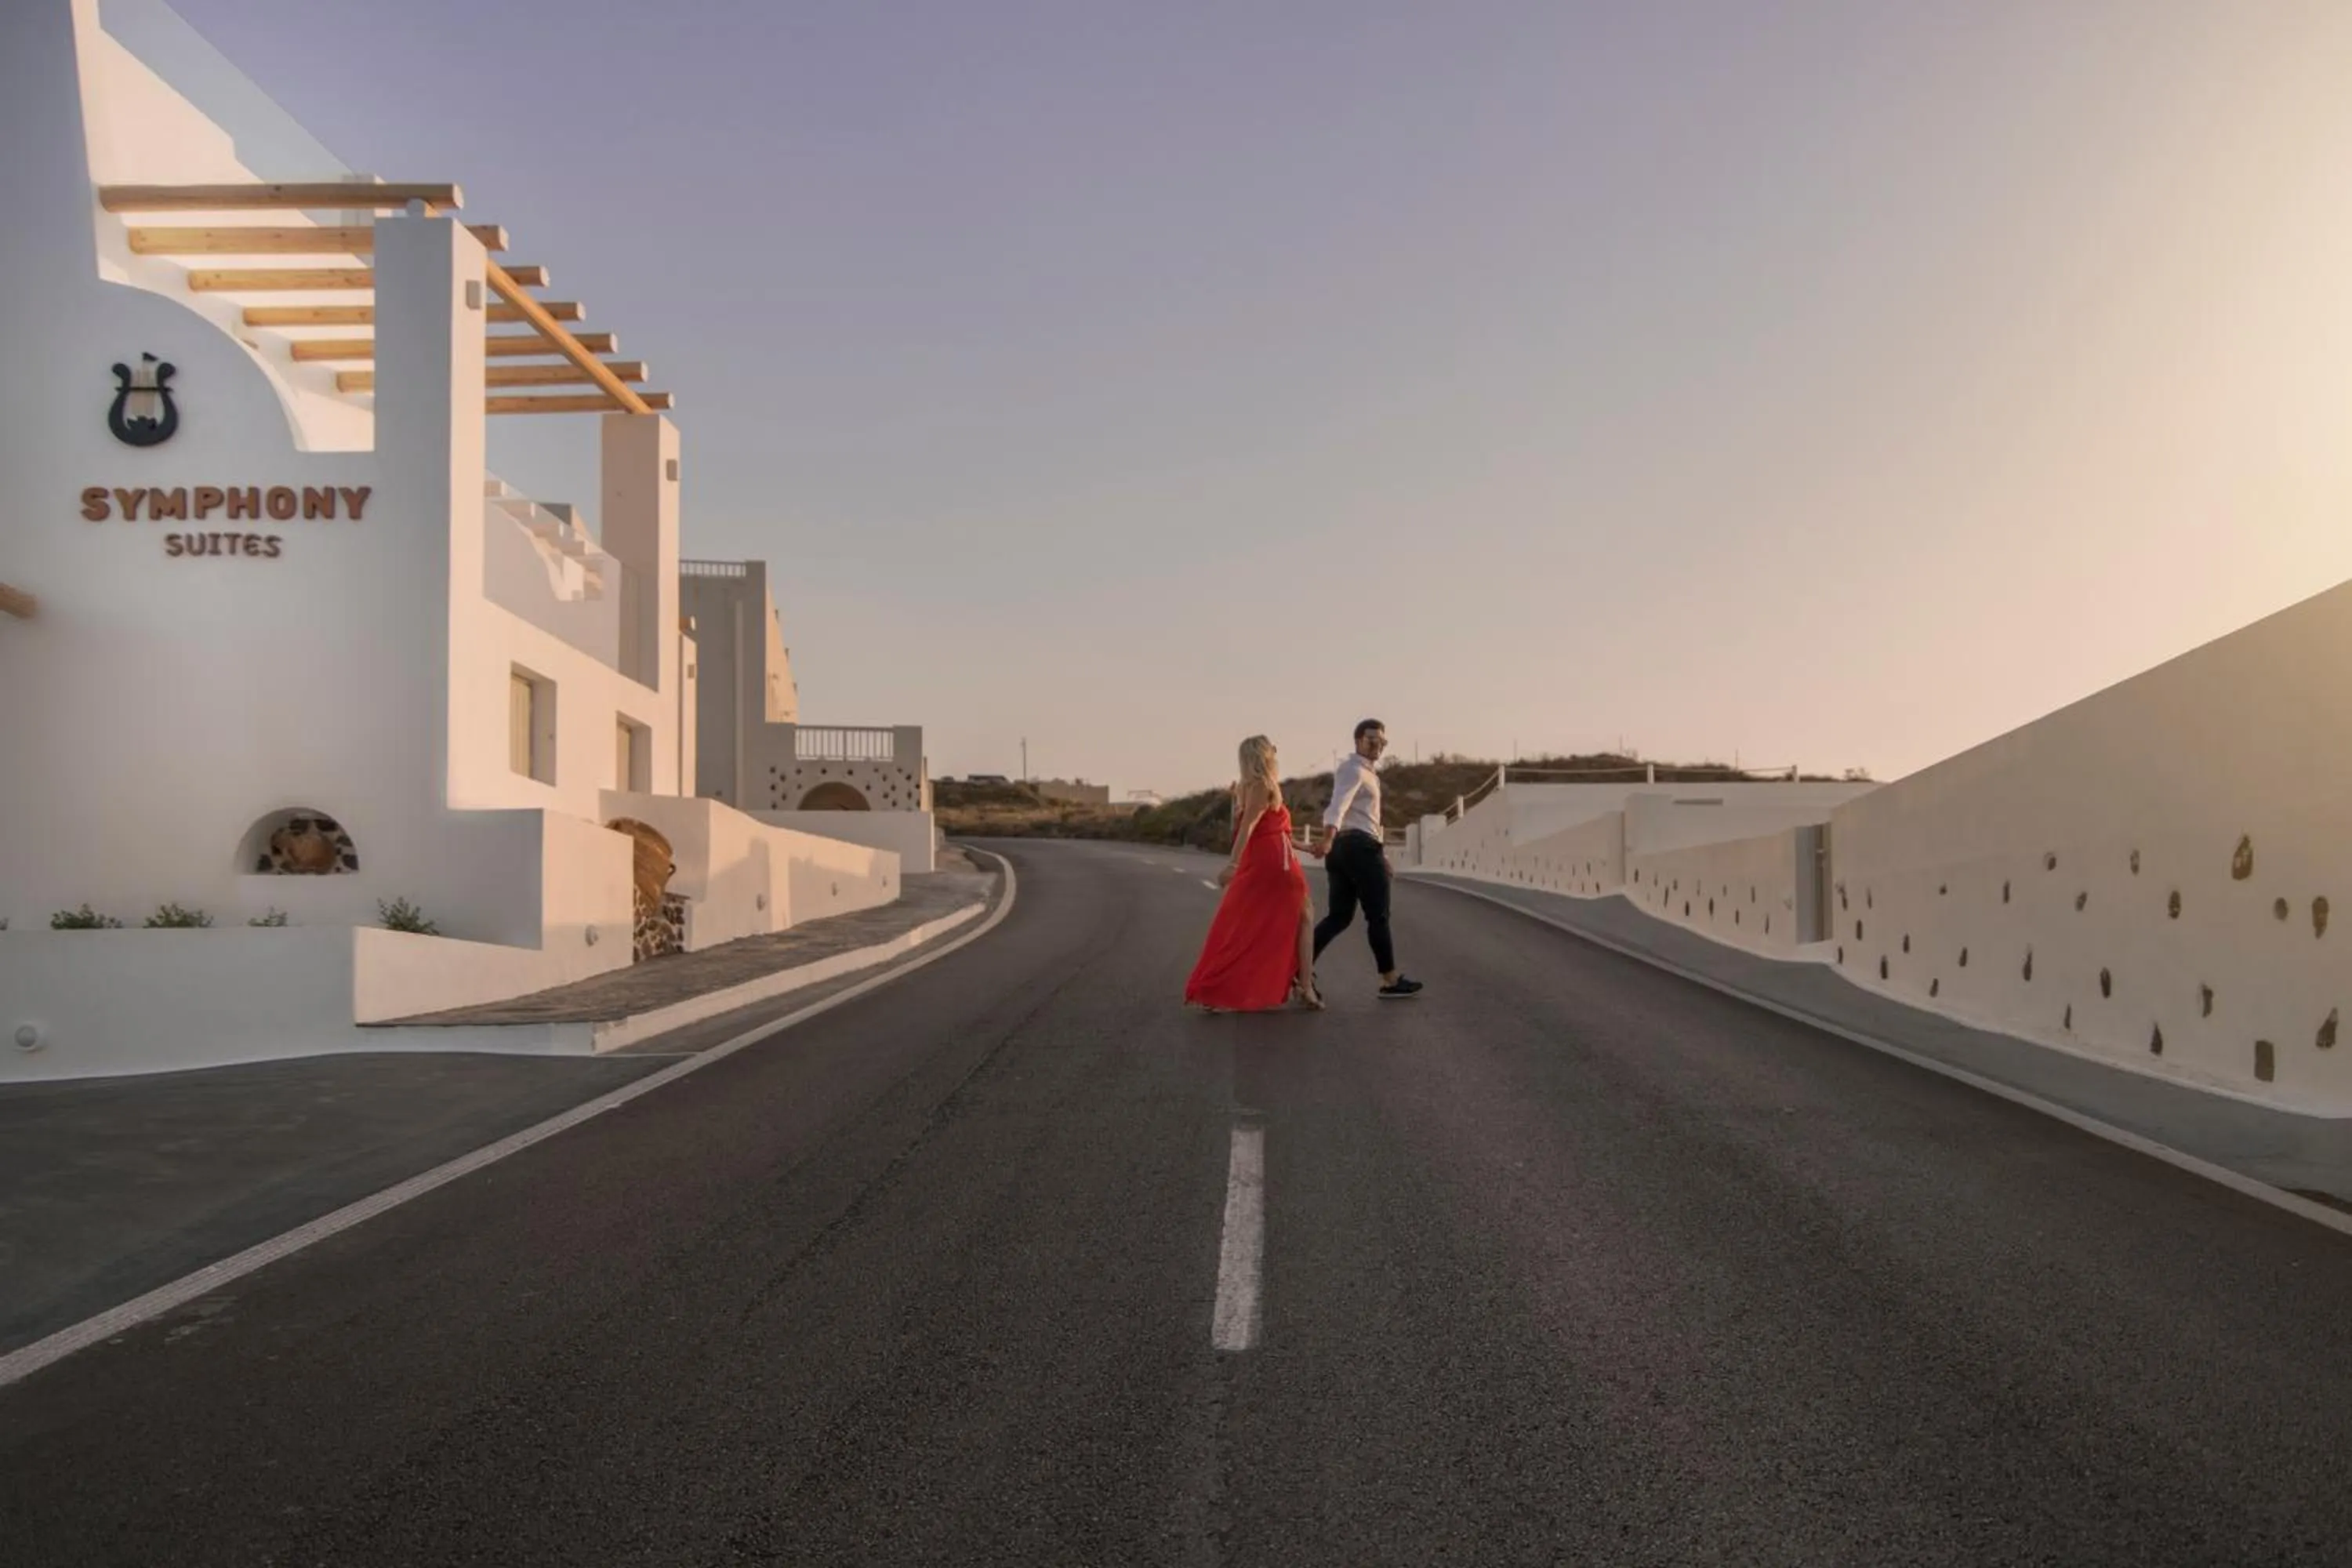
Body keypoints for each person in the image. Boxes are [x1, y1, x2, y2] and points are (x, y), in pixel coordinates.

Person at [1185, 735, 1326, 1012]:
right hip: (1277, 861)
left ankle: (1220, 986)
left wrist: (1306, 846)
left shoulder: (1247, 787)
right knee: (1303, 917)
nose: (1277, 750)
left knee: (1252, 922)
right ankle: (1305, 986)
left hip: (1271, 853)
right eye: (1272, 747)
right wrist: (1233, 864)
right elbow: (1249, 826)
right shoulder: (1261, 786)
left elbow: (1273, 828)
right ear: (1264, 755)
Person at [1313, 718, 1424, 999]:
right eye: (1372, 740)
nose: (1378, 746)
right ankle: (1389, 980)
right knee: (1378, 916)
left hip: (1348, 848)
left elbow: (1366, 819)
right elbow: (1337, 807)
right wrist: (1327, 838)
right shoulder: (1353, 770)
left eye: (1382, 742)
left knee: (1339, 917)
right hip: (1357, 848)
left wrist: (1381, 854)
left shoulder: (1365, 772)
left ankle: (1297, 966)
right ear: (1358, 741)